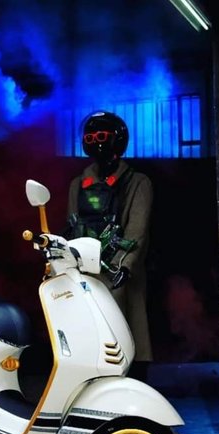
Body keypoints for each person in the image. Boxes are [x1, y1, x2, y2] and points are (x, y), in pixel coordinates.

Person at [64, 110, 153, 378]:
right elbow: (72, 226)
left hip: (120, 272)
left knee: (128, 331)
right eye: (90, 137)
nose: (96, 142)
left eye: (102, 136)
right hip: (85, 273)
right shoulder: (78, 185)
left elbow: (137, 231)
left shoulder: (137, 183)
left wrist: (123, 265)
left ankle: (134, 381)